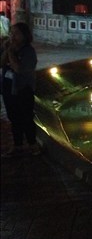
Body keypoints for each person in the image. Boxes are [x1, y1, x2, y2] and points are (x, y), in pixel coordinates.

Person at [1, 22, 40, 157]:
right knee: (13, 117)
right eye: (12, 33)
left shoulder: (28, 51)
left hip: (23, 89)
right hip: (8, 88)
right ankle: (17, 146)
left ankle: (33, 145)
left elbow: (19, 69)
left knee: (26, 117)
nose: (13, 36)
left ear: (24, 35)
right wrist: (7, 50)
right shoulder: (9, 48)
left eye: (16, 33)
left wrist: (11, 52)